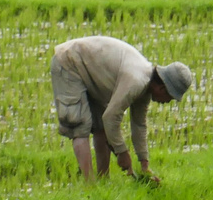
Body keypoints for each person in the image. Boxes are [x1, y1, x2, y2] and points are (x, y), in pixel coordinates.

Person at [50, 36, 193, 185]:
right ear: (162, 88)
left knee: (102, 129)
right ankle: (90, 188)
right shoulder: (136, 81)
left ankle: (103, 182)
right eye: (169, 97)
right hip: (69, 62)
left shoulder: (145, 88)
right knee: (79, 126)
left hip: (89, 71)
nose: (167, 102)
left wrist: (144, 164)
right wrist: (121, 152)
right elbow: (111, 118)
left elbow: (139, 125)